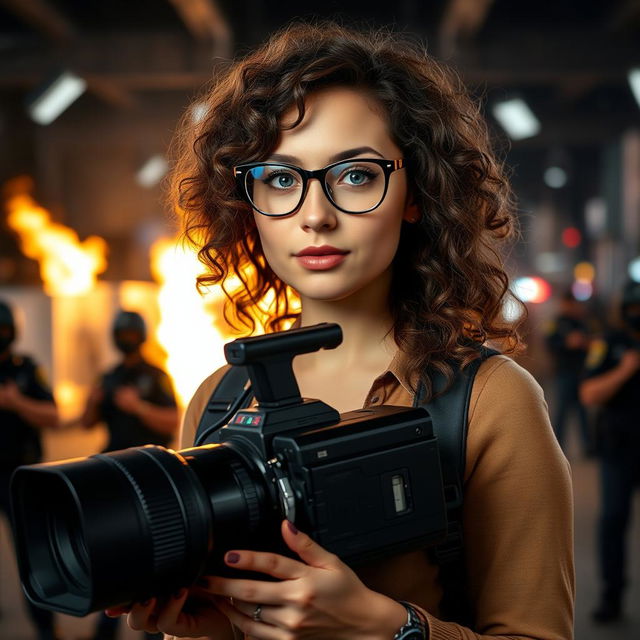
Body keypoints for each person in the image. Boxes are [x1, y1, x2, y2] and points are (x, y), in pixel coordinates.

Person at [109, 21, 574, 640]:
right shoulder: (221, 399)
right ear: (244, 201)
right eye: (279, 178)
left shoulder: (488, 403)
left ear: (416, 191)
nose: (316, 215)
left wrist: (386, 627)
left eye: (355, 175)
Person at [81, 309, 179, 640]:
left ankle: (152, 630)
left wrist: (138, 407)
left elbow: (172, 421)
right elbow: (86, 423)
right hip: (111, 477)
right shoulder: (107, 377)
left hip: (149, 478)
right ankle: (104, 629)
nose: (125, 340)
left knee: (153, 555)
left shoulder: (155, 375)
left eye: (130, 333)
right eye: (120, 334)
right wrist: (92, 402)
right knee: (112, 552)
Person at [580, 280, 640, 623]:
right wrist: (626, 370)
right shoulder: (610, 345)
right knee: (614, 522)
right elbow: (589, 394)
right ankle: (611, 596)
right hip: (618, 450)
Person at [0, 299, 60, 640]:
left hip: (19, 477)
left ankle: (46, 629)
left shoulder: (26, 369)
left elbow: (53, 417)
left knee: (32, 559)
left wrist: (15, 402)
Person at [544, 290, 592, 454]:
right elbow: (549, 344)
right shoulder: (556, 323)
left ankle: (588, 447)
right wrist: (566, 343)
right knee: (561, 413)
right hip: (564, 372)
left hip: (581, 372)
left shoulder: (581, 322)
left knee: (582, 413)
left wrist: (584, 343)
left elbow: (594, 344)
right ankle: (557, 447)